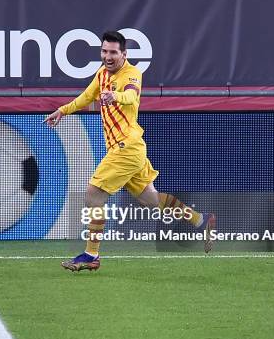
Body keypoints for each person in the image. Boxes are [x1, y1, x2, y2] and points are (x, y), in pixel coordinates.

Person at [44, 31, 216, 272]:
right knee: (152, 202)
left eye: (113, 52)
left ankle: (91, 254)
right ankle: (200, 219)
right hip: (130, 148)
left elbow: (130, 95)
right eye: (104, 51)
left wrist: (115, 95)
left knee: (93, 195)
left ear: (123, 54)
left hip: (126, 148)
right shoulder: (102, 74)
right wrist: (62, 110)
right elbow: (86, 97)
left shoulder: (132, 74)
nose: (108, 56)